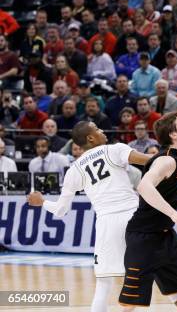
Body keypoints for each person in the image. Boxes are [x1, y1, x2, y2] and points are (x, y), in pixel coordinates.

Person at [26, 121, 150, 312]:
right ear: (91, 138)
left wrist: (42, 202)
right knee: (147, 274)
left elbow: (60, 210)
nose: (103, 131)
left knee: (103, 284)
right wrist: (173, 156)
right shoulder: (114, 149)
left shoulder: (74, 169)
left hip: (106, 224)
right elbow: (150, 160)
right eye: (98, 129)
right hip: (135, 217)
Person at [119, 112, 177, 310]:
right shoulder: (167, 160)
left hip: (165, 237)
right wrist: (174, 214)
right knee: (130, 305)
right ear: (173, 135)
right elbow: (144, 186)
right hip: (143, 237)